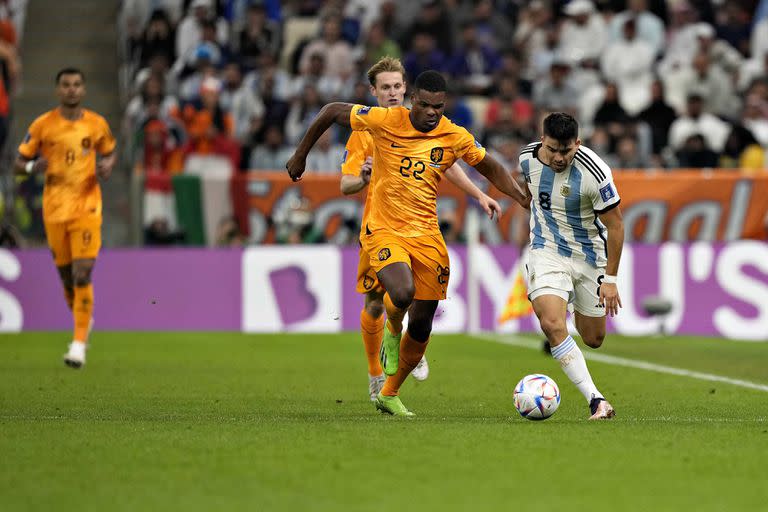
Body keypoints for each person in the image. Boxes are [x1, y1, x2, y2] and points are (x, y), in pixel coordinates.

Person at [287, 70, 530, 416]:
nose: (433, 112)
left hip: (427, 235)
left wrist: (520, 197)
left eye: (439, 107)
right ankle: (390, 329)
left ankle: (389, 392)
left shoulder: (453, 134)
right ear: (413, 100)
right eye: (427, 105)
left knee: (423, 322)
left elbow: (489, 166)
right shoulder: (385, 119)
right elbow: (330, 111)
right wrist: (300, 156)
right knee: (401, 293)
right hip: (384, 227)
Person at [340, 57, 502, 401]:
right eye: (385, 87)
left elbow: (446, 162)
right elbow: (345, 185)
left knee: (410, 296)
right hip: (380, 225)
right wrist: (363, 178)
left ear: (408, 90)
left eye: (398, 85)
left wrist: (478, 194)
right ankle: (374, 372)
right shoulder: (368, 128)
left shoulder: (427, 126)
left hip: (419, 227)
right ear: (374, 91)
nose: (393, 92)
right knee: (374, 302)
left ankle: (401, 339)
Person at [519, 112, 623, 420]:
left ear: (578, 143)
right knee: (551, 323)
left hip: (590, 256)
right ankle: (597, 400)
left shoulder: (595, 172)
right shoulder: (527, 158)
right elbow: (527, 191)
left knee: (593, 339)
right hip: (546, 250)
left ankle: (572, 315)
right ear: (543, 141)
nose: (559, 157)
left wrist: (611, 279)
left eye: (566, 150)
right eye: (552, 149)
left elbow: (616, 227)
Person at [14, 68, 116, 368]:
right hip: (54, 210)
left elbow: (110, 151)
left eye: (76, 85)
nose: (71, 90)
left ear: (83, 90)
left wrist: (107, 165)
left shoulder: (97, 124)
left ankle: (78, 344)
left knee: (83, 272)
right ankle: (84, 320)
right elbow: (18, 163)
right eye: (66, 85)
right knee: (67, 278)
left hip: (87, 207)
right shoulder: (43, 125)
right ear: (58, 90)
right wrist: (34, 168)